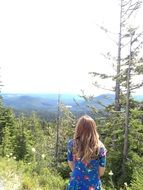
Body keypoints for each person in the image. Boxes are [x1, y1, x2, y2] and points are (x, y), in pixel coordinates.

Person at [66, 115, 107, 190]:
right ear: (93, 129)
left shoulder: (72, 144)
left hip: (75, 183)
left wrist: (79, 172)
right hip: (93, 184)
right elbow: (101, 172)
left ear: (78, 128)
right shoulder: (101, 148)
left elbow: (71, 164)